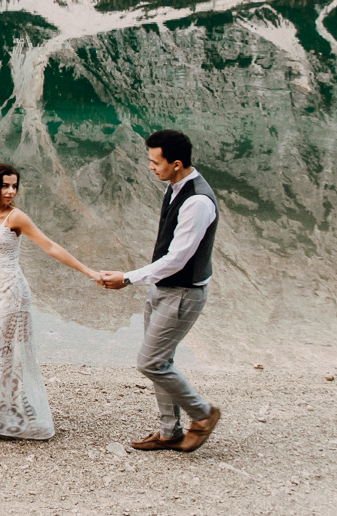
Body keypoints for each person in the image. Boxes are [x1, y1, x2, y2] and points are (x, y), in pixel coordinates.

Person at [97, 129, 222, 452]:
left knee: (151, 363)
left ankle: (203, 414)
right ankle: (169, 431)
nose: (150, 167)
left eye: (155, 162)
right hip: (164, 289)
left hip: (183, 293)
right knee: (161, 360)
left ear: (176, 163)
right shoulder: (175, 186)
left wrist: (127, 278)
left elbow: (178, 259)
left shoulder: (196, 201)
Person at [0, 163, 100, 439]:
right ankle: (3, 409)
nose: (11, 191)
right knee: (3, 353)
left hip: (13, 292)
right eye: (5, 186)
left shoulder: (16, 218)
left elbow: (50, 246)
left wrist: (89, 271)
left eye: (14, 186)